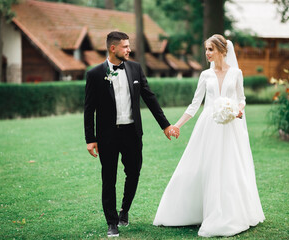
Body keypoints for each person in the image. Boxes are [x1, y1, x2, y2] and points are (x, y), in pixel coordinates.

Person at [153, 34, 265, 237]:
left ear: (223, 50)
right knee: (204, 166)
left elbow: (242, 98)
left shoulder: (236, 73)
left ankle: (231, 212)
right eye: (206, 49)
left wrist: (238, 109)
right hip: (208, 126)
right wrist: (176, 125)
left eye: (210, 49)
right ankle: (192, 210)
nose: (207, 53)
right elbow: (195, 104)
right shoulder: (205, 75)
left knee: (230, 168)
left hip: (230, 127)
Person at [84, 31, 179, 237]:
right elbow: (89, 108)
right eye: (125, 46)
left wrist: (165, 125)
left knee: (134, 173)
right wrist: (90, 139)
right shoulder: (94, 74)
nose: (129, 50)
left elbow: (149, 97)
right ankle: (111, 222)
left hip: (132, 133)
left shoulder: (135, 69)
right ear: (113, 48)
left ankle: (124, 211)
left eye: (129, 46)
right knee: (109, 178)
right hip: (107, 135)